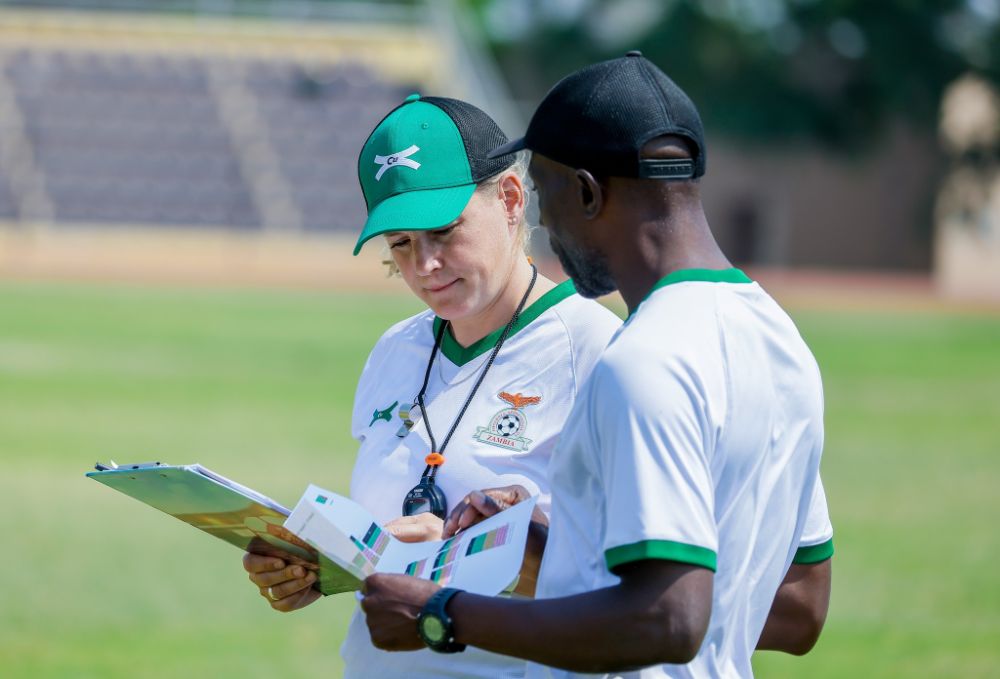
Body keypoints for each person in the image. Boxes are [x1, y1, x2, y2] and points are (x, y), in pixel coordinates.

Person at [359, 53, 834, 678]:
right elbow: (797, 607)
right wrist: (546, 555)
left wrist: (442, 611)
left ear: (583, 191)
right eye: (401, 244)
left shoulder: (639, 362)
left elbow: (668, 618)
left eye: (543, 191)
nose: (543, 223)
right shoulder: (778, 338)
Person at [241, 94, 621, 678]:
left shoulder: (598, 351)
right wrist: (317, 569)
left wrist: (448, 558)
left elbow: (638, 590)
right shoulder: (397, 348)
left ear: (511, 200)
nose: (424, 266)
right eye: (400, 244)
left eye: (444, 232)